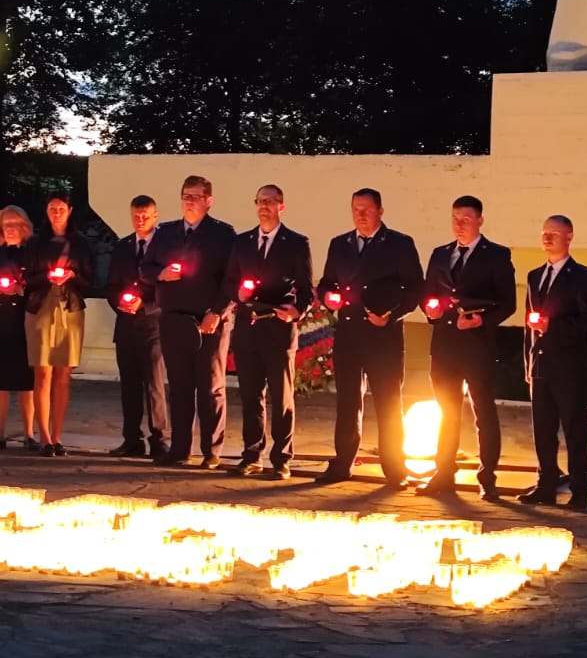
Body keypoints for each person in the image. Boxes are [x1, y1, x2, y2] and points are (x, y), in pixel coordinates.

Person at [313, 189, 423, 487]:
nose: (360, 214)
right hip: (349, 334)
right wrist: (328, 298)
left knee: (388, 402)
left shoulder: (399, 244)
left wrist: (391, 314)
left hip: (382, 335)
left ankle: (394, 467)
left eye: (366, 209)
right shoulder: (340, 244)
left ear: (380, 211)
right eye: (356, 209)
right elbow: (325, 283)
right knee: (348, 401)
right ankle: (343, 462)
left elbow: (415, 290)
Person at [417, 196, 517, 500]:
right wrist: (430, 311)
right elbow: (428, 294)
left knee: (483, 411)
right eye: (455, 218)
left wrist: (481, 322)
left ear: (480, 221)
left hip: (477, 347)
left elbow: (507, 303)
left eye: (466, 219)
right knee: (447, 411)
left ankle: (487, 476)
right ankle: (443, 472)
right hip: (445, 346)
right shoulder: (440, 254)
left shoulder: (496, 255)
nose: (460, 224)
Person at [141, 176, 237, 469]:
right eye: (186, 196)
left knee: (209, 387)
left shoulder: (222, 234)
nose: (190, 202)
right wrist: (162, 274)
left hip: (209, 320)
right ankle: (180, 449)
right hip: (173, 319)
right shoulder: (166, 232)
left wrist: (217, 311)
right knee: (180, 386)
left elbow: (231, 279)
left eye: (196, 197)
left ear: (209, 200)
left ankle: (211, 451)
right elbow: (145, 268)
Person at [220, 185, 313, 481]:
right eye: (260, 201)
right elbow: (230, 281)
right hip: (249, 328)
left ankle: (281, 458)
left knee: (281, 396)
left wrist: (297, 311)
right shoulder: (243, 241)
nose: (264, 206)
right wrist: (239, 292)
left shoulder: (296, 242)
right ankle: (251, 454)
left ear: (281, 206)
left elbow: (306, 288)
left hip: (278, 326)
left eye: (270, 201)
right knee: (250, 395)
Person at [519, 215, 587, 508]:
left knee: (574, 428)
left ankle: (580, 489)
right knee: (543, 428)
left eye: (554, 233)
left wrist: (553, 326)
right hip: (541, 363)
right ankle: (546, 484)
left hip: (568, 364)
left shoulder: (582, 276)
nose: (548, 238)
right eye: (544, 233)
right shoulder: (534, 276)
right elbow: (528, 323)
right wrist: (528, 361)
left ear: (569, 237)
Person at [24, 194, 93, 458]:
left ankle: (57, 435)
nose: (56, 213)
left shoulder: (81, 244)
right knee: (43, 372)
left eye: (61, 209)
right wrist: (48, 276)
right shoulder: (35, 243)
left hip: (70, 307)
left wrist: (72, 274)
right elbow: (26, 277)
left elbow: (91, 279)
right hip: (41, 307)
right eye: (52, 208)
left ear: (70, 211)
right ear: (46, 210)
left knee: (63, 374)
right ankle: (43, 437)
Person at [106, 195, 169, 460]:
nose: (140, 220)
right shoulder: (122, 247)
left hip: (153, 325)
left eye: (145, 215)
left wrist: (144, 305)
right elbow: (111, 284)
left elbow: (168, 286)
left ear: (155, 216)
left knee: (154, 385)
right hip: (126, 325)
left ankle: (160, 440)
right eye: (136, 215)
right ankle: (131, 439)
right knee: (129, 385)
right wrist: (121, 303)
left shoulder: (165, 247)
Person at [0, 207, 36, 449]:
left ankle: (29, 434)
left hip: (23, 318)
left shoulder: (31, 252)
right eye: (5, 224)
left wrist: (22, 289)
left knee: (26, 379)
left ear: (24, 226)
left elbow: (37, 280)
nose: (10, 228)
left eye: (15, 223)